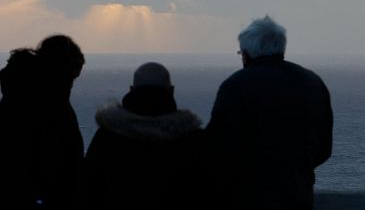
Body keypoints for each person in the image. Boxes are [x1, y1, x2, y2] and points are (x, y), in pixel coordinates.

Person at [205, 16, 333, 209]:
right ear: (281, 48)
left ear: (246, 54)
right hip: (298, 196)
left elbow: (216, 146)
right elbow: (324, 148)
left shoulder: (236, 85)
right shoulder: (313, 83)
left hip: (247, 197)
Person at [83, 62, 204, 210]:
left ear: (131, 90)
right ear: (171, 91)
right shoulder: (193, 140)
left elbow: (88, 190)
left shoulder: (107, 138)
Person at [0, 35, 85, 210]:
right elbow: (61, 157)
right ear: (64, 69)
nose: (72, 83)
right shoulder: (53, 104)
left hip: (10, 194)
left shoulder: (15, 94)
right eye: (73, 76)